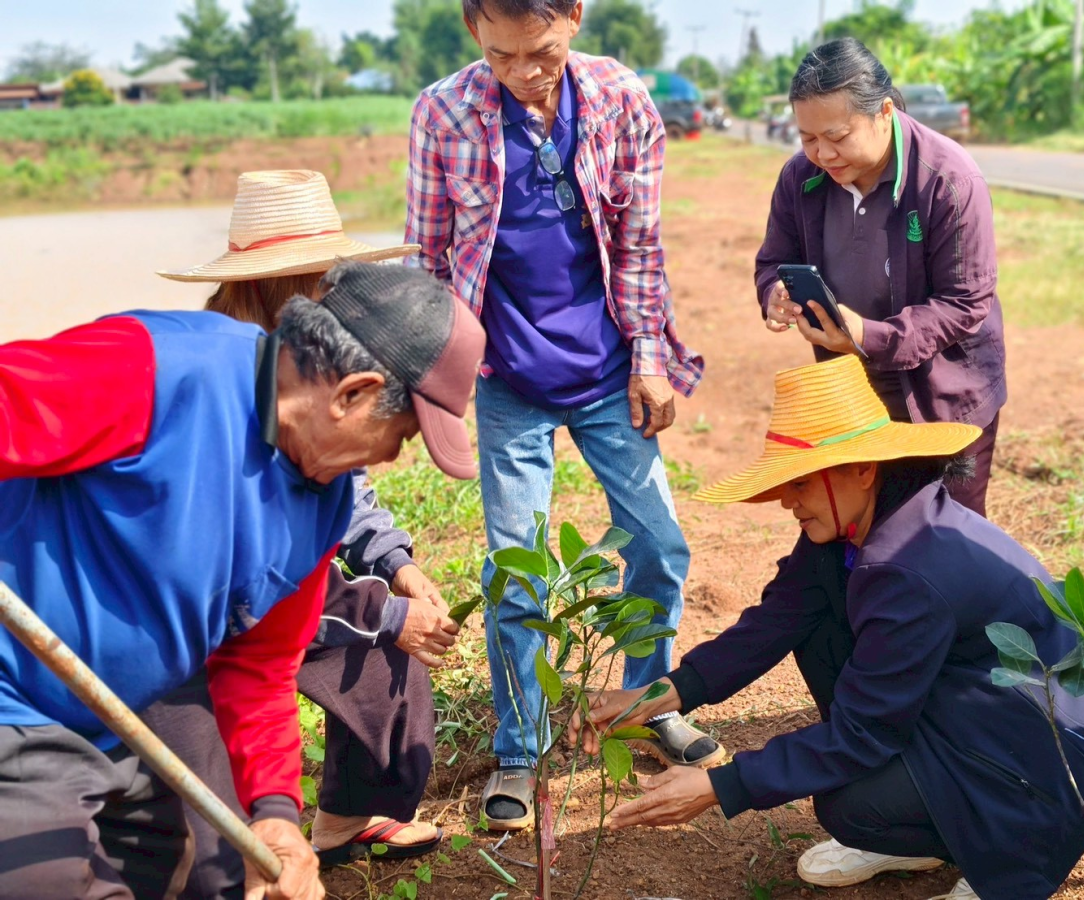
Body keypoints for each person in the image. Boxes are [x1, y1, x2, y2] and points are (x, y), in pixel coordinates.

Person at [0, 260, 485, 899]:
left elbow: (258, 667)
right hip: (21, 702)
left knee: (218, 879)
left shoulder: (324, 500)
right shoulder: (158, 371)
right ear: (352, 395)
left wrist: (279, 816)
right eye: (400, 435)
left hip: (134, 714)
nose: (392, 458)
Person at [571, 355, 1084, 900]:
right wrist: (661, 695)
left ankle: (1000, 858)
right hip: (1002, 720)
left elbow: (864, 734)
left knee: (849, 803)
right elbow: (779, 618)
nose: (788, 501)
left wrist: (722, 786)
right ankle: (939, 824)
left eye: (800, 483)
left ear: (863, 469)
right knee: (817, 629)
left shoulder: (909, 567)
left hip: (1048, 771)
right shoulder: (865, 519)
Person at [404, 0, 721, 830]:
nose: (522, 73)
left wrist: (650, 359)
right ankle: (520, 745)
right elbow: (428, 256)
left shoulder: (621, 99)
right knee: (518, 566)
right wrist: (436, 381)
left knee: (657, 542)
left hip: (612, 365)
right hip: (507, 376)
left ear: (575, 17)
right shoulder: (442, 112)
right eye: (501, 54)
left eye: (539, 52)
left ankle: (648, 703)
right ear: (475, 29)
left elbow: (643, 242)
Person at [137, 169, 465, 897]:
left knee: (386, 649)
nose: (330, 295)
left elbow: (344, 491)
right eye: (316, 279)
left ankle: (346, 818)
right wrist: (382, 611)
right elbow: (232, 563)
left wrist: (395, 564)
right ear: (269, 284)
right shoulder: (216, 369)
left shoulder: (329, 355)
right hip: (206, 608)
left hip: (271, 597)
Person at [756, 38, 1005, 517]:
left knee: (949, 538)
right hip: (853, 395)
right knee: (864, 533)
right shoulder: (798, 179)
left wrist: (869, 335)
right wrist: (774, 293)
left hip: (944, 396)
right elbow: (773, 259)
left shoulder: (949, 180)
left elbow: (965, 302)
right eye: (808, 139)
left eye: (837, 136)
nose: (823, 154)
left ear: (883, 111)